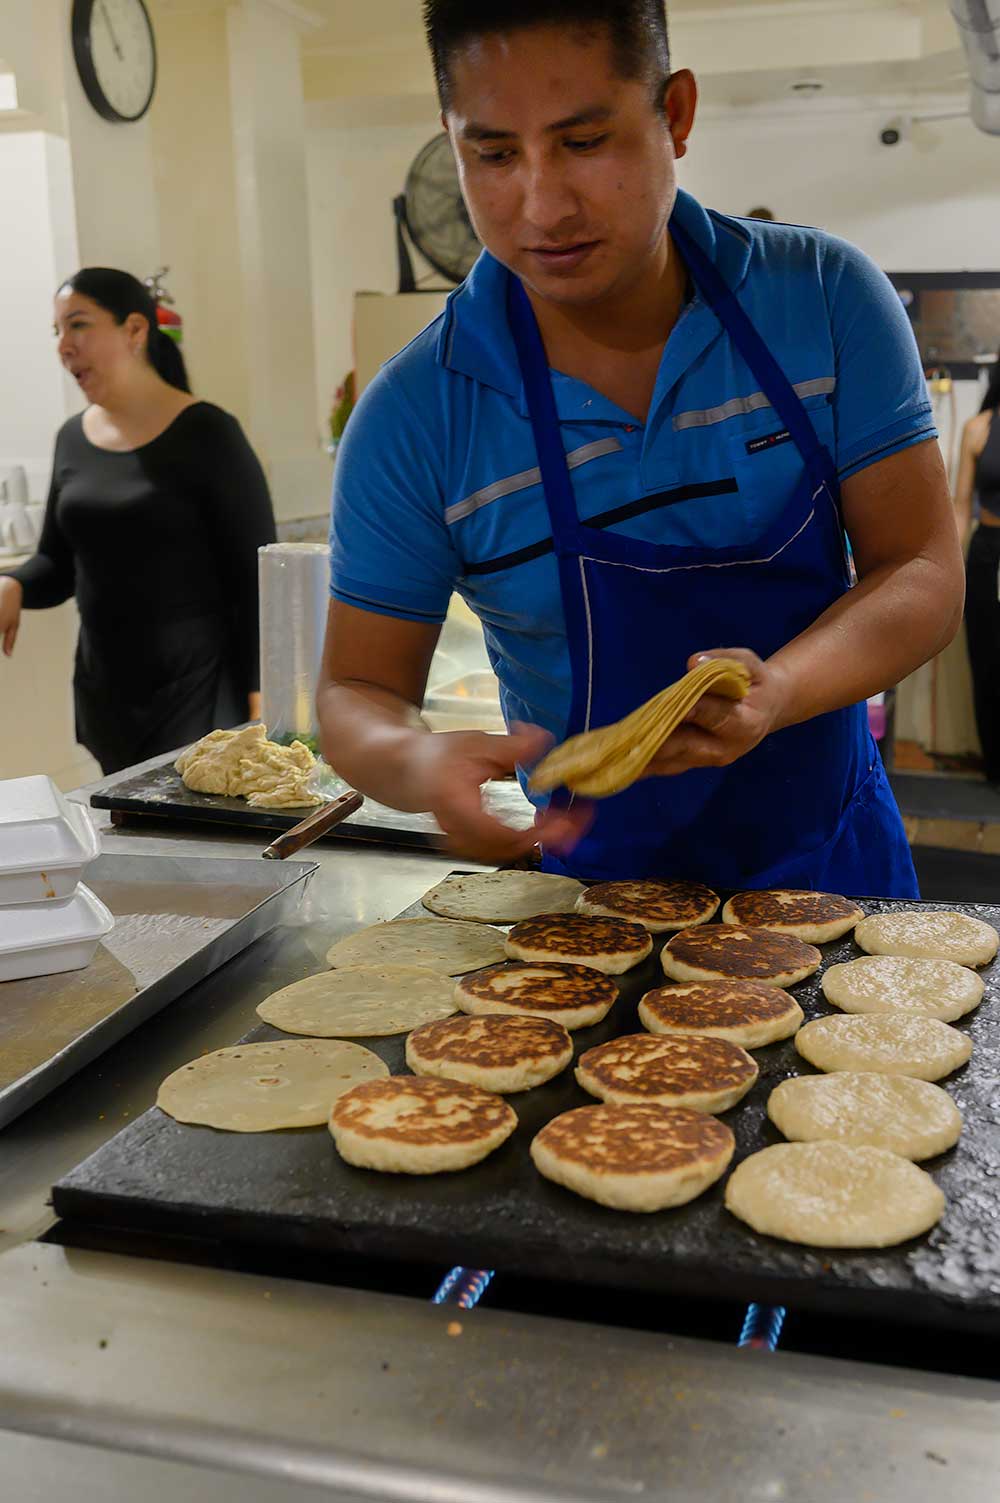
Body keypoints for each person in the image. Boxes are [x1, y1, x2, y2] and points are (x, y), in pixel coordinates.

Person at [316, 0, 964, 895]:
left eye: (584, 142)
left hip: (836, 880)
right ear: (451, 142)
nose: (542, 205)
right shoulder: (418, 414)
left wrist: (778, 688)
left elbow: (923, 569)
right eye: (494, 154)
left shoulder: (821, 298)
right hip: (590, 907)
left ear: (677, 114)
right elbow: (357, 691)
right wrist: (412, 763)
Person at [0, 268, 276, 775]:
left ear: (134, 330)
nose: (64, 345)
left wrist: (261, 696)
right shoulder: (72, 439)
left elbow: (255, 577)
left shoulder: (209, 433)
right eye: (57, 331)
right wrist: (13, 586)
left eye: (78, 325)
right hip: (106, 694)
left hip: (199, 695)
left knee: (192, 845)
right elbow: (57, 564)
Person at [954, 349, 1000, 784]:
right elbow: (958, 505)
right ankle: (995, 764)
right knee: (987, 658)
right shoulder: (977, 429)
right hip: (987, 549)